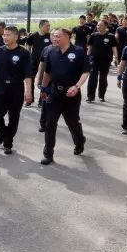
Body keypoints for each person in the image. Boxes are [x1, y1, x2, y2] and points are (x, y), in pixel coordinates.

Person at [39, 28, 89, 165]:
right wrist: (43, 88)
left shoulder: (78, 52)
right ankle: (48, 154)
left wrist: (77, 86)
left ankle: (79, 141)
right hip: (54, 93)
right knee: (50, 123)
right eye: (53, 36)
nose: (54, 39)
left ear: (68, 37)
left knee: (72, 123)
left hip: (71, 94)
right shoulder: (51, 52)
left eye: (58, 36)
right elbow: (47, 72)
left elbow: (85, 72)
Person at [0, 25, 34, 155]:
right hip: (0, 90)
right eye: (4, 35)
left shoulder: (24, 53)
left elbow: (28, 74)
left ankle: (8, 143)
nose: (5, 37)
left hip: (16, 91)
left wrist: (28, 91)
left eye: (8, 35)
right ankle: (3, 134)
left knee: (13, 118)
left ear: (16, 36)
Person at [86, 20, 119, 103]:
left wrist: (116, 58)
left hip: (106, 60)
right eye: (97, 25)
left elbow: (114, 48)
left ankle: (101, 96)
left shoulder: (111, 36)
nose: (98, 27)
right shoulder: (94, 35)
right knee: (92, 77)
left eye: (100, 25)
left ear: (105, 26)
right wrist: (86, 58)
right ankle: (90, 96)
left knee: (103, 78)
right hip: (94, 60)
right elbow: (89, 47)